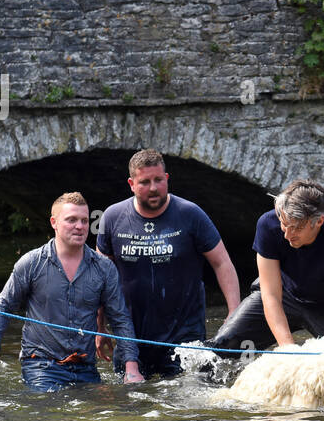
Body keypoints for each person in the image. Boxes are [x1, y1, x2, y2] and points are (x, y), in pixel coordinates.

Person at [0, 192, 145, 390]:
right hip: (41, 366)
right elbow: (3, 306)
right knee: (55, 413)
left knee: (99, 416)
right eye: (71, 220)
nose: (79, 226)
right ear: (54, 222)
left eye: (84, 220)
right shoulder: (31, 263)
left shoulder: (104, 268)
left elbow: (120, 318)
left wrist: (132, 367)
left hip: (85, 367)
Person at [95, 150, 240, 378]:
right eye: (144, 182)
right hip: (131, 336)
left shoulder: (191, 214)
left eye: (158, 180)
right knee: (131, 405)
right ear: (131, 184)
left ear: (167, 179)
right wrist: (99, 326)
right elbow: (101, 277)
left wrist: (234, 311)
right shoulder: (113, 217)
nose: (153, 188)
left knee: (181, 405)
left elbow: (222, 263)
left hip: (185, 334)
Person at [209, 179, 324, 357]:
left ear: (318, 221)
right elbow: (270, 294)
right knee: (221, 347)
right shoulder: (268, 225)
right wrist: (287, 348)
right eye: (284, 224)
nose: (287, 234)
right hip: (284, 294)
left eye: (296, 228)